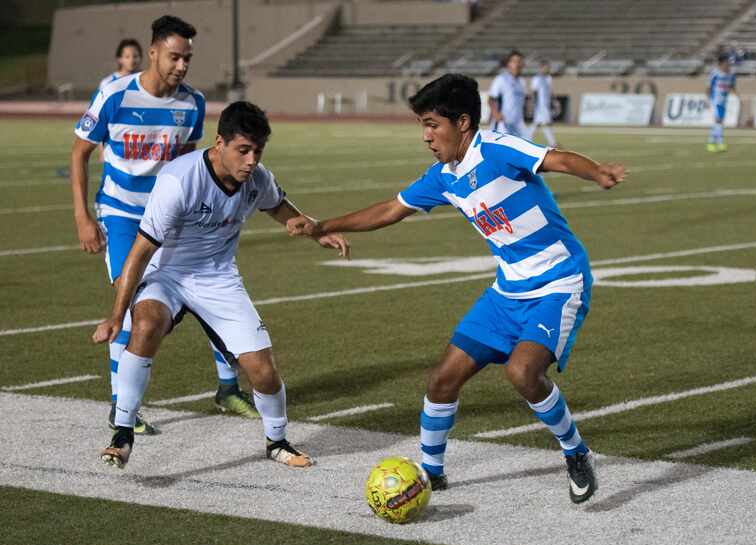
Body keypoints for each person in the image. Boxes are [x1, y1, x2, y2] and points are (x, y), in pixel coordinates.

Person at [286, 74, 625, 504]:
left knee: (522, 373)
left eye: (432, 125)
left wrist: (597, 171)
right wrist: (322, 225)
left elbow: (555, 158)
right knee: (442, 380)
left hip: (558, 281)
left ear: (462, 122)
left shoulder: (497, 149)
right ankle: (430, 473)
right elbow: (391, 209)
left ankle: (576, 452)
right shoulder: (443, 177)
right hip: (507, 291)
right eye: (422, 126)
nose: (426, 136)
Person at [92, 101, 350, 469]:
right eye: (243, 150)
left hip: (218, 279)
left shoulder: (257, 177)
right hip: (168, 275)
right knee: (146, 325)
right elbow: (140, 252)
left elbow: (278, 205)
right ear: (219, 144)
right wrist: (117, 315)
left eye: (257, 151)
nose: (250, 160)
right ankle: (122, 432)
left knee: (263, 370)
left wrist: (316, 231)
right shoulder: (179, 180)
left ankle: (277, 441)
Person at [71, 16, 257, 437]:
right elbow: (79, 152)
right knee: (132, 302)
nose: (181, 65)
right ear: (153, 51)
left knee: (215, 289)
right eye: (174, 56)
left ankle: (227, 389)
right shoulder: (115, 94)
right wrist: (84, 217)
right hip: (121, 214)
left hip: (172, 218)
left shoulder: (192, 104)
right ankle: (122, 405)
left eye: (187, 58)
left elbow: (192, 167)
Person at [488, 50, 530, 140]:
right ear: (508, 64)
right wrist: (496, 114)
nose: (517, 64)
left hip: (518, 125)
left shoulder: (522, 82)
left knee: (529, 147)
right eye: (514, 61)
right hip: (503, 125)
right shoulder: (501, 79)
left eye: (519, 62)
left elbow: (524, 101)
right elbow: (491, 99)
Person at [707, 53, 736, 153]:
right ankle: (721, 143)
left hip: (724, 101)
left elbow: (732, 86)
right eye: (727, 62)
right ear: (721, 63)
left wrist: (738, 96)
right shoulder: (715, 73)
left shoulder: (731, 74)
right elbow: (708, 87)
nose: (728, 64)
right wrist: (708, 99)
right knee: (718, 121)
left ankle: (711, 143)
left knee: (718, 123)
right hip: (715, 101)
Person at [527, 61, 558, 147]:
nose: (547, 69)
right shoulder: (536, 79)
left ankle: (526, 139)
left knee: (539, 124)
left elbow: (550, 91)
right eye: (545, 67)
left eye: (547, 68)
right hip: (539, 106)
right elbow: (534, 92)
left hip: (546, 105)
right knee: (545, 124)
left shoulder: (548, 78)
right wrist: (532, 103)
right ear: (540, 68)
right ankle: (553, 143)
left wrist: (554, 101)